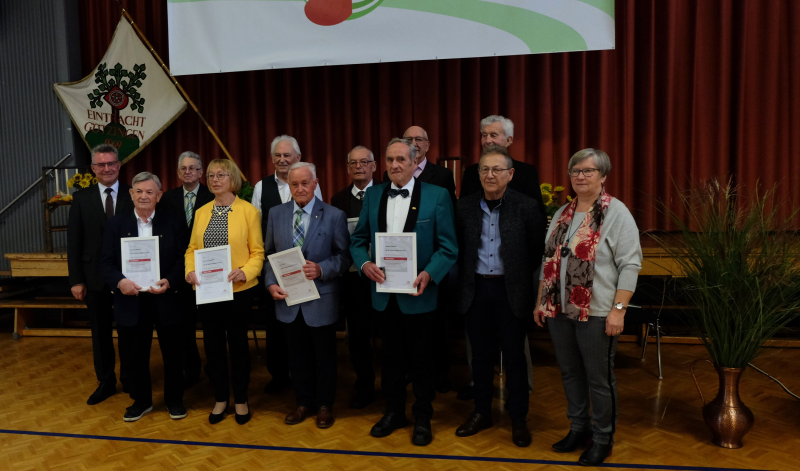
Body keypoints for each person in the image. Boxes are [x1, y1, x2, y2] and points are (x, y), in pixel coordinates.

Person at [534, 148, 642, 466]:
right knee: (570, 373)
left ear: (603, 176)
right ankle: (578, 428)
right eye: (575, 171)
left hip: (597, 312)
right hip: (559, 309)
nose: (580, 176)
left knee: (598, 378)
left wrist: (619, 309)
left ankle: (603, 438)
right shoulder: (562, 213)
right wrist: (541, 301)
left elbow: (630, 264)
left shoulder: (616, 213)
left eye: (588, 171)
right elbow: (548, 259)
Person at [351, 138, 458, 446]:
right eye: (390, 160)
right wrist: (365, 264)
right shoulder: (373, 195)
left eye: (401, 159)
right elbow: (358, 241)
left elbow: (448, 247)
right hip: (384, 295)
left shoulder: (437, 195)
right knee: (391, 358)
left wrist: (429, 273)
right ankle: (394, 411)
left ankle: (423, 416)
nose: (395, 165)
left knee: (423, 359)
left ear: (414, 163)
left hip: (418, 293)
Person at [454, 145, 546, 447]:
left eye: (497, 169)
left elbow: (535, 252)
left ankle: (518, 418)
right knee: (479, 357)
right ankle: (482, 412)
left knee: (515, 357)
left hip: (511, 291)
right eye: (485, 169)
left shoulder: (527, 207)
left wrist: (517, 278)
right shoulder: (464, 207)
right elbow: (459, 249)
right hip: (476, 290)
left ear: (510, 174)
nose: (490, 175)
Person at [264, 162, 352, 428]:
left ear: (315, 183)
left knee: (324, 357)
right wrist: (270, 284)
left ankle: (325, 405)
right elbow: (269, 256)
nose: (300, 188)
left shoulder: (334, 215)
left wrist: (322, 268)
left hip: (321, 299)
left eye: (305, 183)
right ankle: (303, 402)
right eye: (295, 184)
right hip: (288, 300)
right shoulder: (276, 214)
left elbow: (344, 257)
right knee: (297, 356)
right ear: (288, 186)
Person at [101, 172, 189, 421]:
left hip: (166, 297)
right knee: (135, 355)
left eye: (150, 192)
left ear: (159, 195)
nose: (144, 196)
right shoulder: (116, 225)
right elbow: (106, 263)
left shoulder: (174, 222)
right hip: (131, 300)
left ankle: (174, 400)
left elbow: (184, 258)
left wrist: (170, 281)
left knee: (173, 353)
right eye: (139, 191)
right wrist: (121, 282)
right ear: (131, 194)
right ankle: (141, 401)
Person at [185, 159, 265, 425]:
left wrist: (246, 271)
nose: (214, 179)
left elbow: (258, 253)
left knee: (238, 346)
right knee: (213, 346)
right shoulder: (201, 212)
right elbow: (192, 249)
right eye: (210, 175)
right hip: (208, 290)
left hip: (238, 289)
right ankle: (220, 397)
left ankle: (241, 399)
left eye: (221, 175)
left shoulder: (248, 211)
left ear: (233, 179)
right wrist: (190, 271)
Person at [251, 135, 322, 393]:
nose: (282, 160)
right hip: (276, 268)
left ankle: (307, 376)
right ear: (272, 159)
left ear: (298, 157)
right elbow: (256, 227)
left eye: (287, 155)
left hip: (307, 268)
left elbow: (319, 219)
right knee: (276, 324)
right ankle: (278, 375)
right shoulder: (261, 187)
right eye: (278, 156)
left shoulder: (309, 181)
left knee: (304, 325)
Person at [67, 143, 133, 405]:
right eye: (101, 164)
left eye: (111, 163)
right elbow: (74, 242)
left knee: (129, 330)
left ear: (119, 165)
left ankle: (130, 378)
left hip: (128, 277)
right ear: (93, 168)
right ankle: (106, 381)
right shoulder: (81, 198)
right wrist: (76, 280)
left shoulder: (133, 193)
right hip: (93, 278)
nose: (107, 168)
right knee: (100, 333)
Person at [157, 151, 214, 386]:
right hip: (179, 270)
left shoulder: (213, 196)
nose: (188, 171)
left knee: (211, 324)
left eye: (193, 168)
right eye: (184, 168)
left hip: (209, 268)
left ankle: (214, 368)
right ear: (178, 172)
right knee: (184, 324)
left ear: (201, 172)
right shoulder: (166, 199)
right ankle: (191, 369)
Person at [330, 146, 377, 409]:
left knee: (392, 334)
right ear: (348, 168)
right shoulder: (337, 200)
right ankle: (364, 385)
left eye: (364, 162)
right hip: (352, 280)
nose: (359, 166)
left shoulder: (386, 193)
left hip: (385, 278)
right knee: (357, 336)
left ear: (374, 166)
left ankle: (395, 384)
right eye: (353, 163)